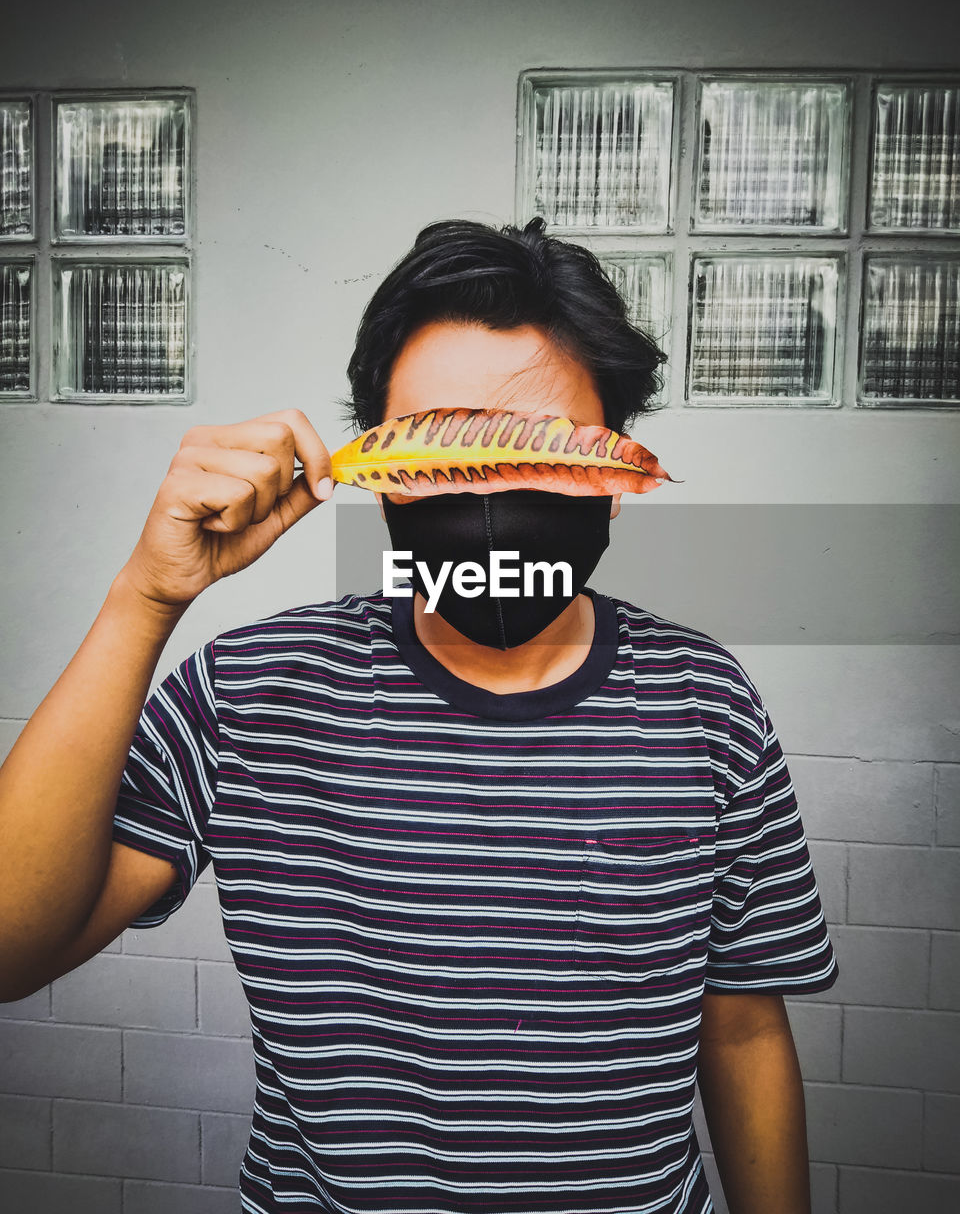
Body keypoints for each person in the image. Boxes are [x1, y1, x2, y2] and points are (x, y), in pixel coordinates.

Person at [0, 216, 838, 1214]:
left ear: (615, 475)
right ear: (381, 473)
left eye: (534, 447)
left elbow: (742, 1026)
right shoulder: (254, 692)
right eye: (445, 451)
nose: (487, 494)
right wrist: (148, 594)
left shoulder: (709, 703)